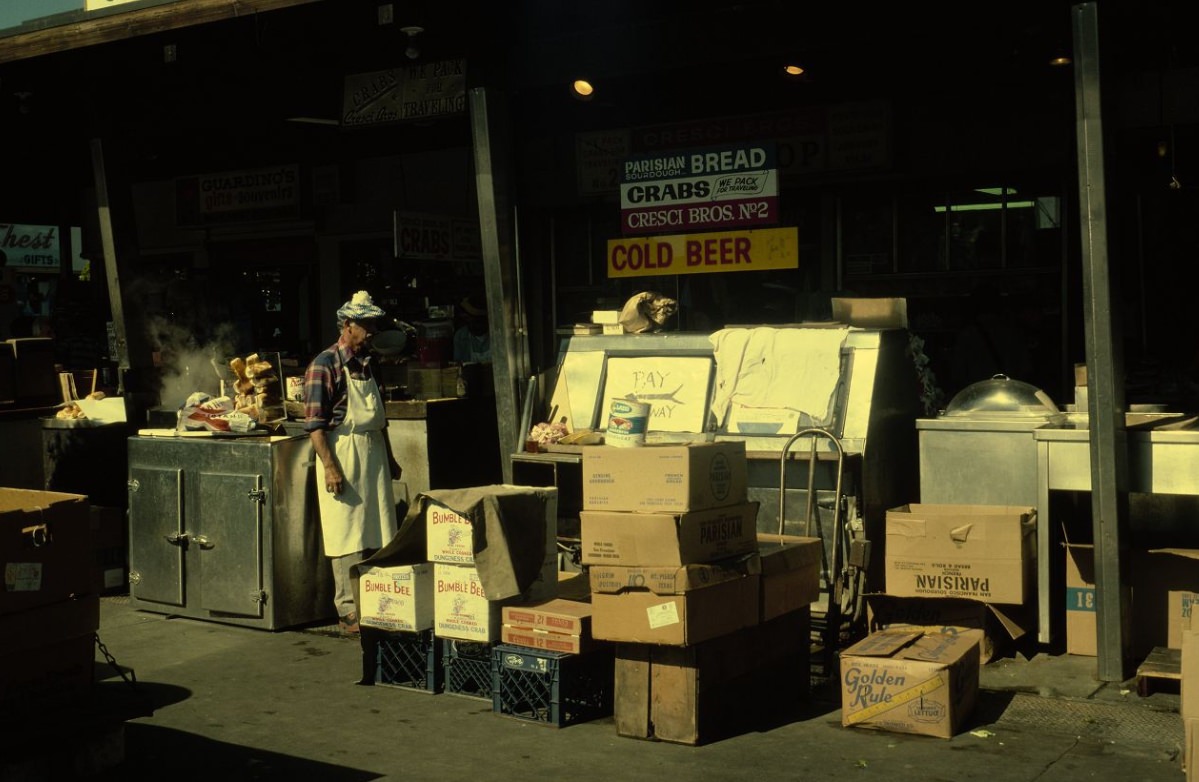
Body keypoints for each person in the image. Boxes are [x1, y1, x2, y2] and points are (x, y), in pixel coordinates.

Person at [303, 290, 402, 635]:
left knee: (377, 528)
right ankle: (348, 610)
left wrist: (389, 457)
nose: (372, 331)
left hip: (372, 451)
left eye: (374, 324)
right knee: (346, 532)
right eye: (366, 325)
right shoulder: (324, 364)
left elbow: (381, 418)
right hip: (341, 451)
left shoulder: (368, 363)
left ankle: (376, 601)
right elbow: (315, 426)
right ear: (347, 326)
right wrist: (330, 467)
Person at [452, 294, 491, 363]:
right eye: (470, 319)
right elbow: (458, 364)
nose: (475, 324)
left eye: (478, 319)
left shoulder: (498, 333)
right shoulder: (461, 336)